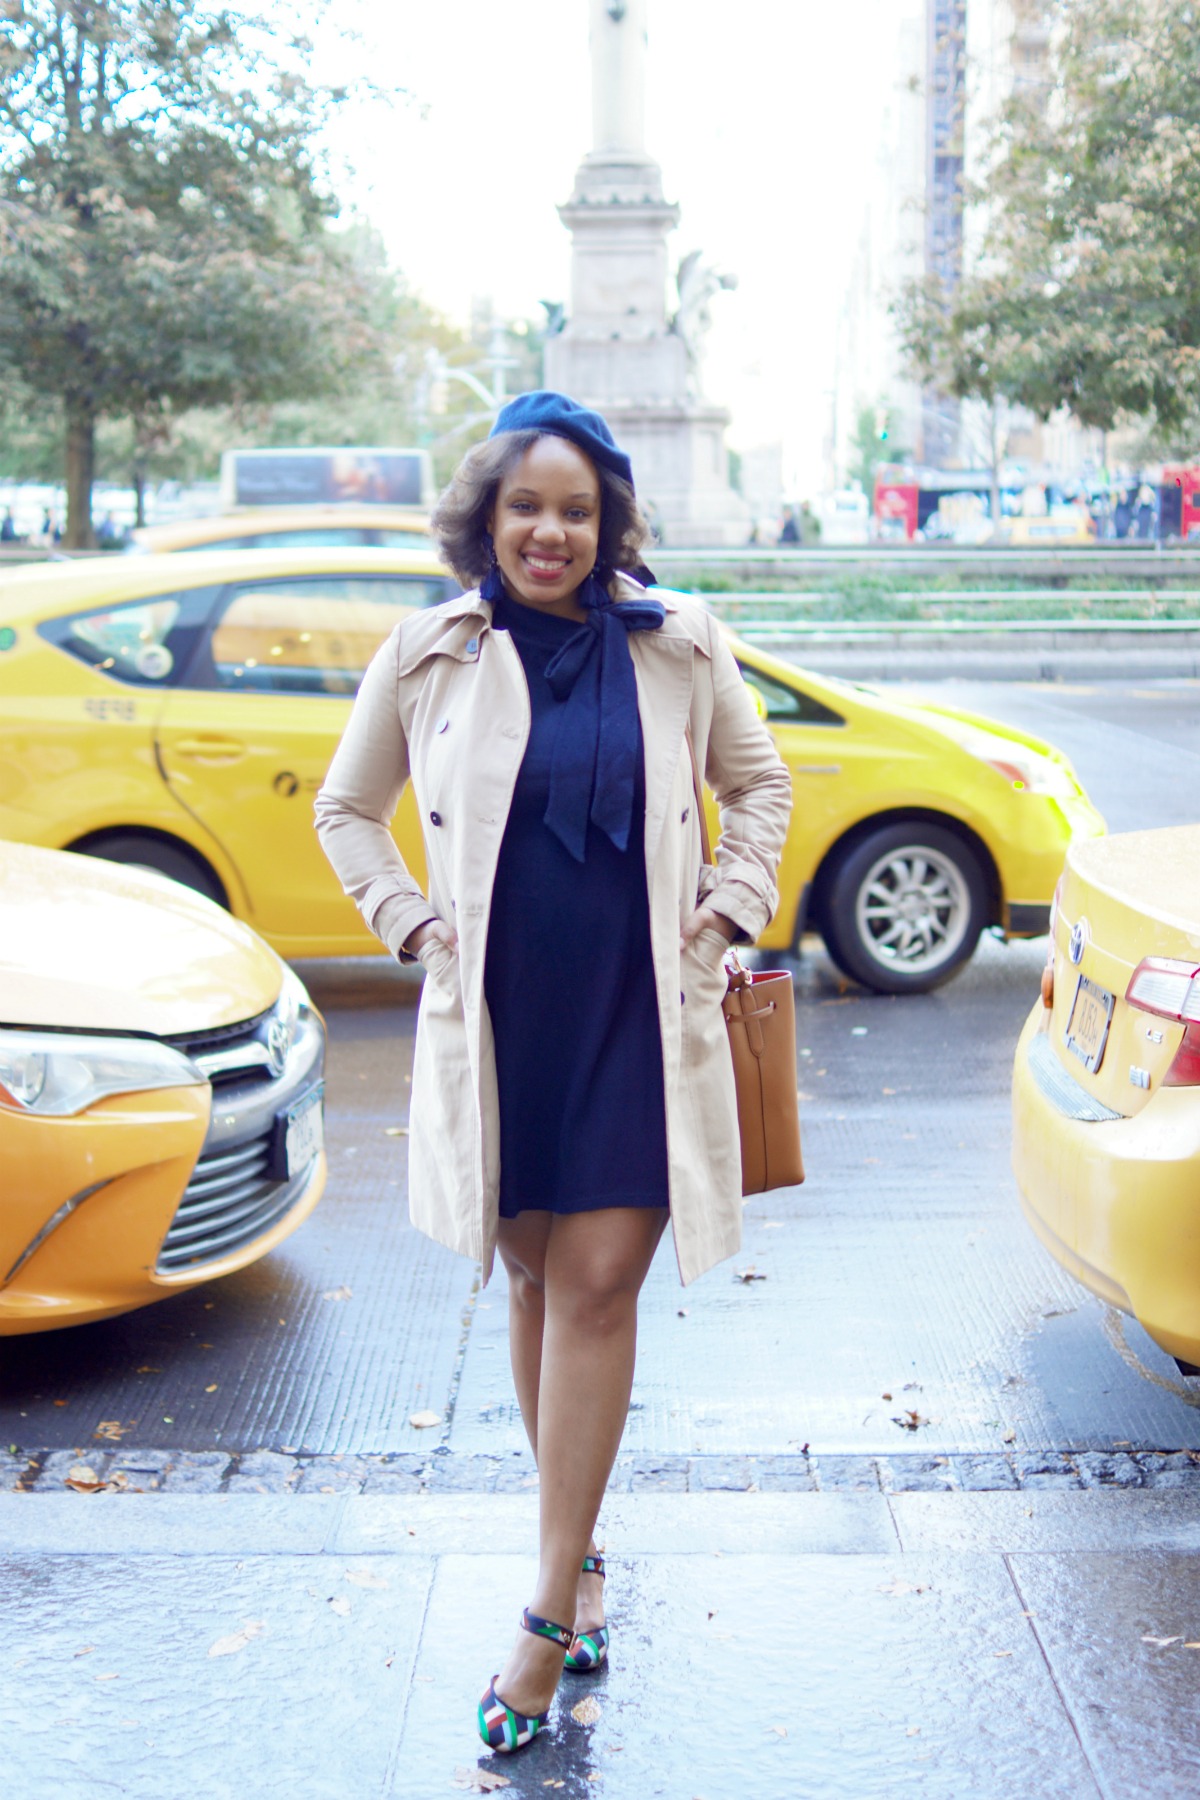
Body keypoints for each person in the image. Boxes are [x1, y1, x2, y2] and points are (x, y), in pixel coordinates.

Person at [315, 390, 791, 1756]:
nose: (551, 530)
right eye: (527, 505)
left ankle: (541, 1619)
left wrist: (729, 901)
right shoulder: (430, 653)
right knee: (529, 1274)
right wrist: (409, 922)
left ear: (610, 522)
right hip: (503, 1019)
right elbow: (347, 809)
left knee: (594, 1286)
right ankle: (576, 1555)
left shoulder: (680, 643)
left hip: (642, 1011)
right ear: (487, 517)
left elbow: (758, 787)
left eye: (577, 509)